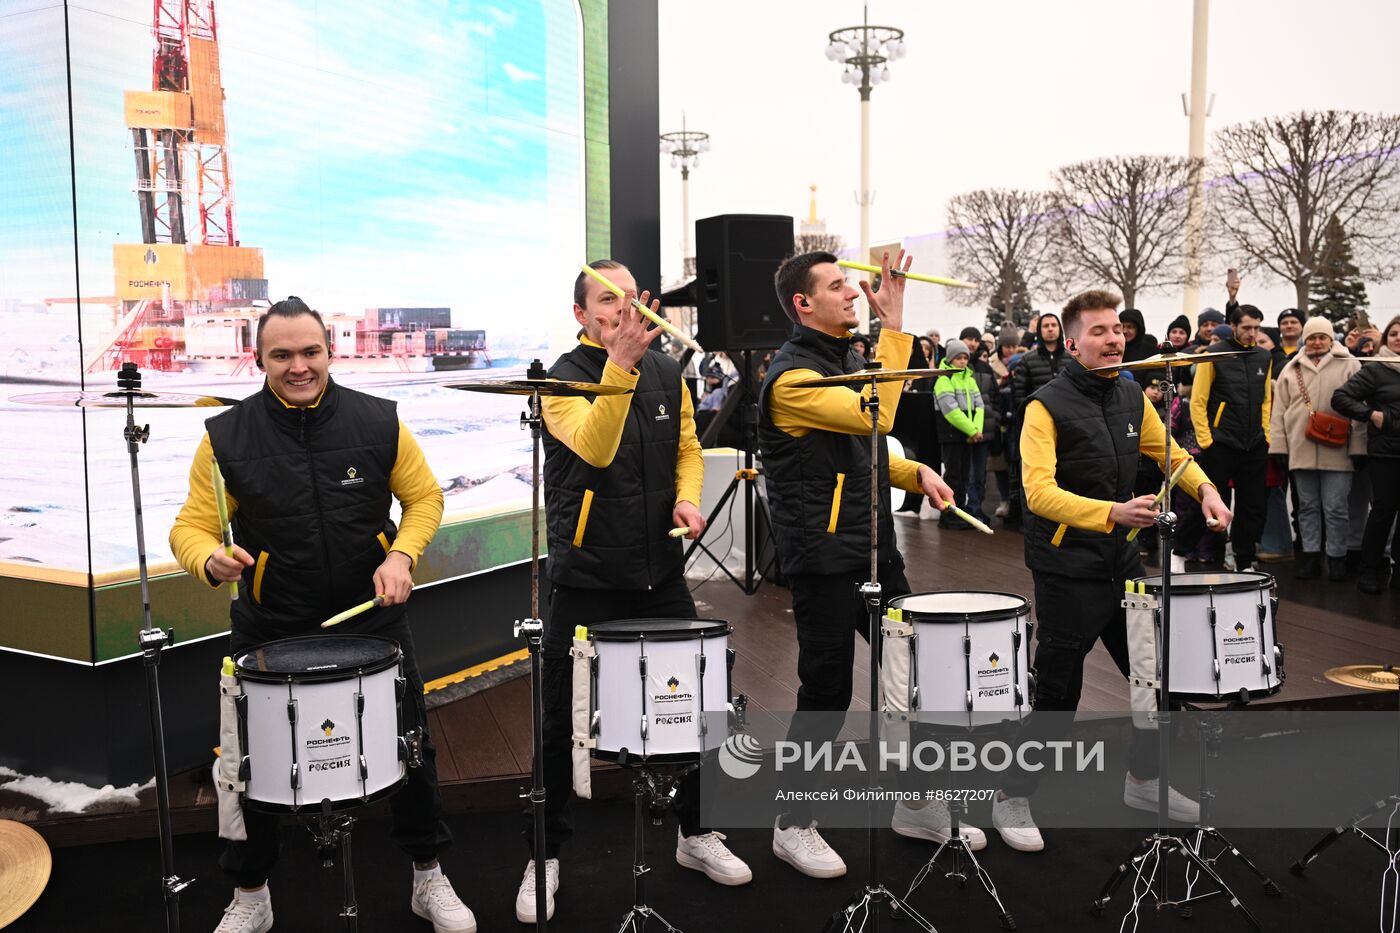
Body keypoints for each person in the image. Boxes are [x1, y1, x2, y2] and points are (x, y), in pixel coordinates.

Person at [169, 297, 473, 933]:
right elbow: (192, 526)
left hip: (371, 619)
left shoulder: (378, 421)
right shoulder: (225, 437)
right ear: (260, 359)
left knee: (411, 748)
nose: (298, 366)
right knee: (251, 761)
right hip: (272, 620)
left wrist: (404, 557)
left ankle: (428, 877)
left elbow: (424, 498)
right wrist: (208, 558)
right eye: (282, 355)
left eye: (310, 352)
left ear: (330, 352)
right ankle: (251, 893)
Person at [519, 260, 752, 922]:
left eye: (629, 298)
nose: (622, 309)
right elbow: (594, 448)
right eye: (605, 300)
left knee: (693, 705)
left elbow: (685, 446)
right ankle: (544, 852)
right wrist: (617, 366)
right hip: (586, 574)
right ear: (581, 314)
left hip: (658, 572)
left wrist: (685, 496)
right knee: (561, 718)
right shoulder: (560, 377)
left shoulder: (666, 369)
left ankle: (697, 832)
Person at [990, 289, 1231, 853]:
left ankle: (1144, 782)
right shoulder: (1043, 405)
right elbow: (1037, 493)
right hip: (1066, 569)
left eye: (1118, 328)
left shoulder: (1128, 392)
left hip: (1123, 563)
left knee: (1155, 680)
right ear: (1072, 343)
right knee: (1057, 695)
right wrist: (1111, 514)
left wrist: (1207, 490)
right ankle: (1012, 795)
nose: (1114, 338)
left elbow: (1169, 451)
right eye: (1098, 331)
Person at [761, 249, 961, 877]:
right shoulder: (793, 379)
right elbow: (877, 414)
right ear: (804, 303)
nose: (853, 293)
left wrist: (913, 470)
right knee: (826, 690)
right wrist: (896, 327)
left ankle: (916, 802)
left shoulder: (845, 358)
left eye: (850, 284)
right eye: (838, 286)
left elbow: (862, 446)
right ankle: (793, 822)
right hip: (822, 556)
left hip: (874, 544)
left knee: (913, 671)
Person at [1175, 302, 1273, 572]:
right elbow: (1198, 401)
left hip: (1254, 443)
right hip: (1220, 443)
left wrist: (1266, 435)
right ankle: (1179, 553)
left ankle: (1244, 560)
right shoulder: (1213, 355)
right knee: (1203, 501)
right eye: (1246, 327)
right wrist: (1207, 440)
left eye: (1256, 327)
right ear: (1233, 327)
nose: (1252, 332)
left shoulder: (1264, 357)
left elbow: (1266, 400)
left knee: (1251, 506)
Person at [1269, 317, 1365, 580]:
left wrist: (1358, 446)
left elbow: (1359, 408)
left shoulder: (1350, 365)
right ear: (1305, 339)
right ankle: (1310, 556)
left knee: (1336, 508)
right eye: (1311, 337)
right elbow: (1279, 412)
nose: (1316, 342)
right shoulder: (1291, 368)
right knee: (1307, 507)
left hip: (1339, 449)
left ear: (1331, 338)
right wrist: (1278, 447)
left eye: (1322, 336)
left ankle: (1337, 558)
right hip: (1301, 448)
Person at [1331, 314, 1400, 593]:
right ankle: (1369, 571)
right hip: (1386, 453)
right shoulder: (1376, 369)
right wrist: (1372, 415)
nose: (1399, 338)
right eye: (1394, 333)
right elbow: (1341, 398)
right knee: (1383, 511)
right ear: (1385, 338)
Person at [1007, 312, 1067, 529]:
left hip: (1068, 428)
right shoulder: (1027, 362)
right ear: (1039, 331)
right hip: (1037, 430)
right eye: (1046, 326)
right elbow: (1019, 398)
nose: (1050, 329)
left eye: (1054, 325)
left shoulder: (1072, 360)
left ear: (1060, 329)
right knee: (1035, 477)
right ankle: (1033, 523)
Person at [934, 339, 992, 528]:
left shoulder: (969, 378)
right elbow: (951, 412)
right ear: (950, 359)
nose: (962, 361)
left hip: (967, 436)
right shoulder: (943, 380)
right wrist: (973, 430)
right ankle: (948, 516)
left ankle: (959, 512)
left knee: (964, 477)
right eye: (958, 357)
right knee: (953, 476)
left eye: (965, 357)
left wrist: (976, 430)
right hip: (952, 436)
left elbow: (980, 405)